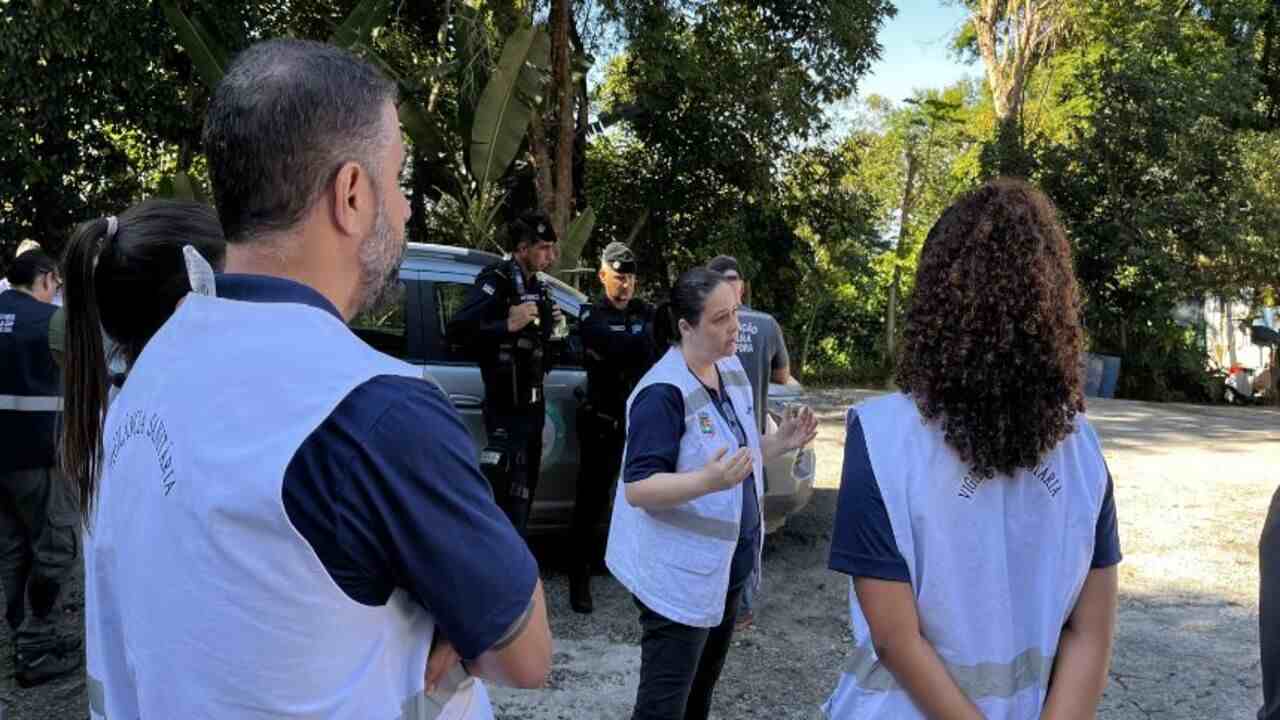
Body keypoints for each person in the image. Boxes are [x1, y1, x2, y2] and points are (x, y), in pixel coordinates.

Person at [73, 40, 551, 720]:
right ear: (352, 194)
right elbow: (526, 657)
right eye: (399, 180)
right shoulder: (376, 410)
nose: (408, 210)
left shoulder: (152, 365)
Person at [822, 179, 1121, 719]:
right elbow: (1090, 634)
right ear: (1053, 304)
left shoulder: (883, 438)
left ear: (936, 297)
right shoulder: (1084, 453)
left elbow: (895, 640)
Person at [606, 267, 817, 720]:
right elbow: (639, 487)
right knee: (664, 705)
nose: (734, 328)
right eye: (720, 319)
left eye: (735, 313)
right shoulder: (662, 392)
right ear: (686, 326)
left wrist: (781, 442)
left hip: (723, 569)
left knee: (700, 692)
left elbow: (739, 454)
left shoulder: (729, 369)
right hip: (677, 577)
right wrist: (708, 482)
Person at [447, 210, 563, 537]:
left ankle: (517, 567)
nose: (550, 256)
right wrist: (507, 325)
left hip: (533, 408)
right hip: (505, 406)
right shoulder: (495, 280)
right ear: (522, 249)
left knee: (526, 495)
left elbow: (547, 351)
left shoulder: (538, 288)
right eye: (542, 248)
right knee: (505, 499)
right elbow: (457, 332)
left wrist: (554, 332)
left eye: (552, 248)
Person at [0, 250, 79, 687]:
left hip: (4, 460)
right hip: (39, 456)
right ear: (47, 279)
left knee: (14, 547)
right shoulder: (50, 322)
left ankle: (24, 634)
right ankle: (34, 647)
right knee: (56, 548)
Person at [706, 254, 798, 630]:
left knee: (716, 525)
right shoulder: (765, 325)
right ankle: (740, 608)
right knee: (747, 527)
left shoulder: (700, 325)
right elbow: (783, 377)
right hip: (754, 438)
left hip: (711, 440)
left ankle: (714, 605)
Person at [569, 241, 659, 614]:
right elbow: (614, 346)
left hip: (639, 424)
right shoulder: (590, 314)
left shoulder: (646, 312)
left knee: (643, 500)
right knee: (590, 502)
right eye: (619, 278)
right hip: (603, 423)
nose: (625, 286)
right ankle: (579, 579)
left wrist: (633, 342)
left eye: (631, 279)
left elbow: (653, 348)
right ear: (603, 274)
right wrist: (635, 341)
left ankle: (634, 571)